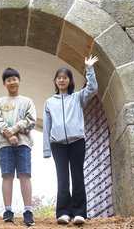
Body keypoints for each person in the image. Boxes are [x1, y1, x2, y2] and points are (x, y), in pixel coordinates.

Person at [43, 55, 99, 225]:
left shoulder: (77, 98)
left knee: (77, 176)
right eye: (59, 77)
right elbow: (47, 126)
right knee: (62, 177)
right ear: (55, 81)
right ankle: (63, 213)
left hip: (77, 141)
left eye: (65, 77)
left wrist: (89, 69)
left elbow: (93, 89)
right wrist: (46, 148)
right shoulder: (49, 102)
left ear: (69, 81)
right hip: (57, 144)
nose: (61, 80)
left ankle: (79, 213)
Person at [0, 67, 37, 226]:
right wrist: (8, 134)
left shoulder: (27, 101)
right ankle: (8, 210)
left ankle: (28, 210)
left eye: (14, 79)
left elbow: (31, 121)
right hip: (4, 144)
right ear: (4, 83)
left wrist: (15, 129)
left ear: (19, 80)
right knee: (7, 175)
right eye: (8, 80)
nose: (12, 82)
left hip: (23, 143)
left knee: (25, 175)